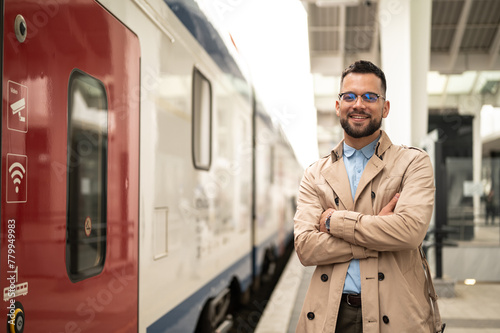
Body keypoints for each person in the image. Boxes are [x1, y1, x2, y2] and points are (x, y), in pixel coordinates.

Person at [294, 60, 444, 333]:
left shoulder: (413, 163)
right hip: (331, 315)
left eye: (370, 97)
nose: (358, 104)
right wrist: (378, 228)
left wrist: (333, 222)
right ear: (338, 106)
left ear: (385, 107)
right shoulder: (314, 174)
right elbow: (305, 247)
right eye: (349, 96)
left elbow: (409, 233)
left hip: (398, 316)